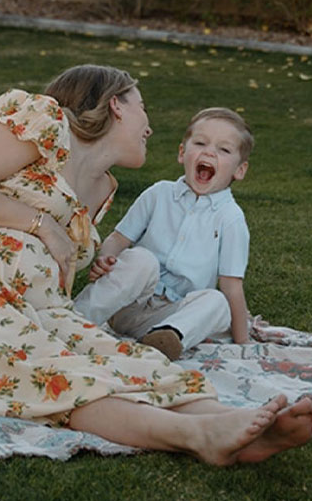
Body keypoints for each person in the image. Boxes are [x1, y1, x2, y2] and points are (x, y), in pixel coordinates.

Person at [0, 64, 312, 466]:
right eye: (143, 107)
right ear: (117, 105)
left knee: (118, 355)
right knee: (46, 370)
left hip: (32, 305)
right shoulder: (43, 122)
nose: (150, 125)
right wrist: (43, 224)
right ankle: (195, 437)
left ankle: (230, 420)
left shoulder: (102, 188)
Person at [75, 107, 253, 360]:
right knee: (142, 259)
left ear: (240, 170)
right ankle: (74, 318)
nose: (209, 152)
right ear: (182, 153)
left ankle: (165, 340)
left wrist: (243, 343)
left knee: (217, 303)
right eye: (201, 143)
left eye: (224, 150)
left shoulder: (231, 219)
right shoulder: (158, 194)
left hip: (171, 314)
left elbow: (231, 286)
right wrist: (105, 259)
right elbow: (118, 238)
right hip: (127, 302)